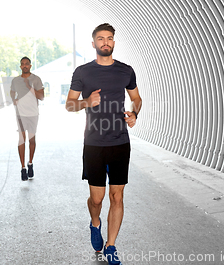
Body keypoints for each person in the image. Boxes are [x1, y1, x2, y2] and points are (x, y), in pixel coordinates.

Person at [65, 23, 142, 265]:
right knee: (97, 199)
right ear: (94, 43)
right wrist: (87, 101)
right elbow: (69, 104)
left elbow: (136, 98)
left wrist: (134, 113)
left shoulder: (125, 71)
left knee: (117, 196)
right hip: (94, 143)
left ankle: (111, 246)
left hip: (120, 142)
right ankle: (95, 223)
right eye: (101, 38)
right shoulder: (82, 72)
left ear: (114, 42)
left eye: (109, 38)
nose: (105, 42)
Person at [10, 57, 44, 181]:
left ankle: (30, 163)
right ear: (20, 66)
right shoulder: (15, 80)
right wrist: (14, 99)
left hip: (33, 114)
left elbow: (41, 97)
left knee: (32, 140)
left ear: (30, 66)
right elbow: (12, 92)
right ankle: (23, 167)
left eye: (27, 64)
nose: (24, 66)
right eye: (22, 64)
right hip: (20, 113)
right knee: (21, 139)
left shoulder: (36, 79)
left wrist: (30, 87)